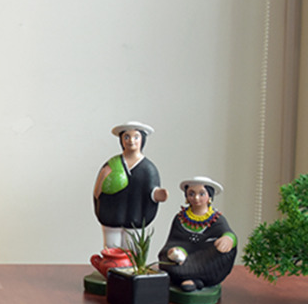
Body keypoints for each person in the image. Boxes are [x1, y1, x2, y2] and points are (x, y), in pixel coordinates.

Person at [93, 121, 168, 249]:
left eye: (136, 137)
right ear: (121, 140)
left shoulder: (148, 168)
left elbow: (150, 189)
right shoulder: (112, 164)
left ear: (142, 140)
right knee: (111, 246)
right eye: (126, 137)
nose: (131, 141)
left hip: (135, 215)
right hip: (112, 214)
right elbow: (98, 189)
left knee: (131, 248)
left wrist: (156, 194)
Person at [158, 176, 238, 291]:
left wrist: (228, 239)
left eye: (201, 194)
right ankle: (193, 280)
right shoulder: (180, 218)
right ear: (186, 196)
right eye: (191, 194)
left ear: (209, 196)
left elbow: (228, 233)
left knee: (223, 255)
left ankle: (195, 280)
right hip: (183, 260)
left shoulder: (217, 219)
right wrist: (176, 251)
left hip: (205, 259)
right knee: (166, 260)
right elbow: (173, 240)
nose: (196, 198)